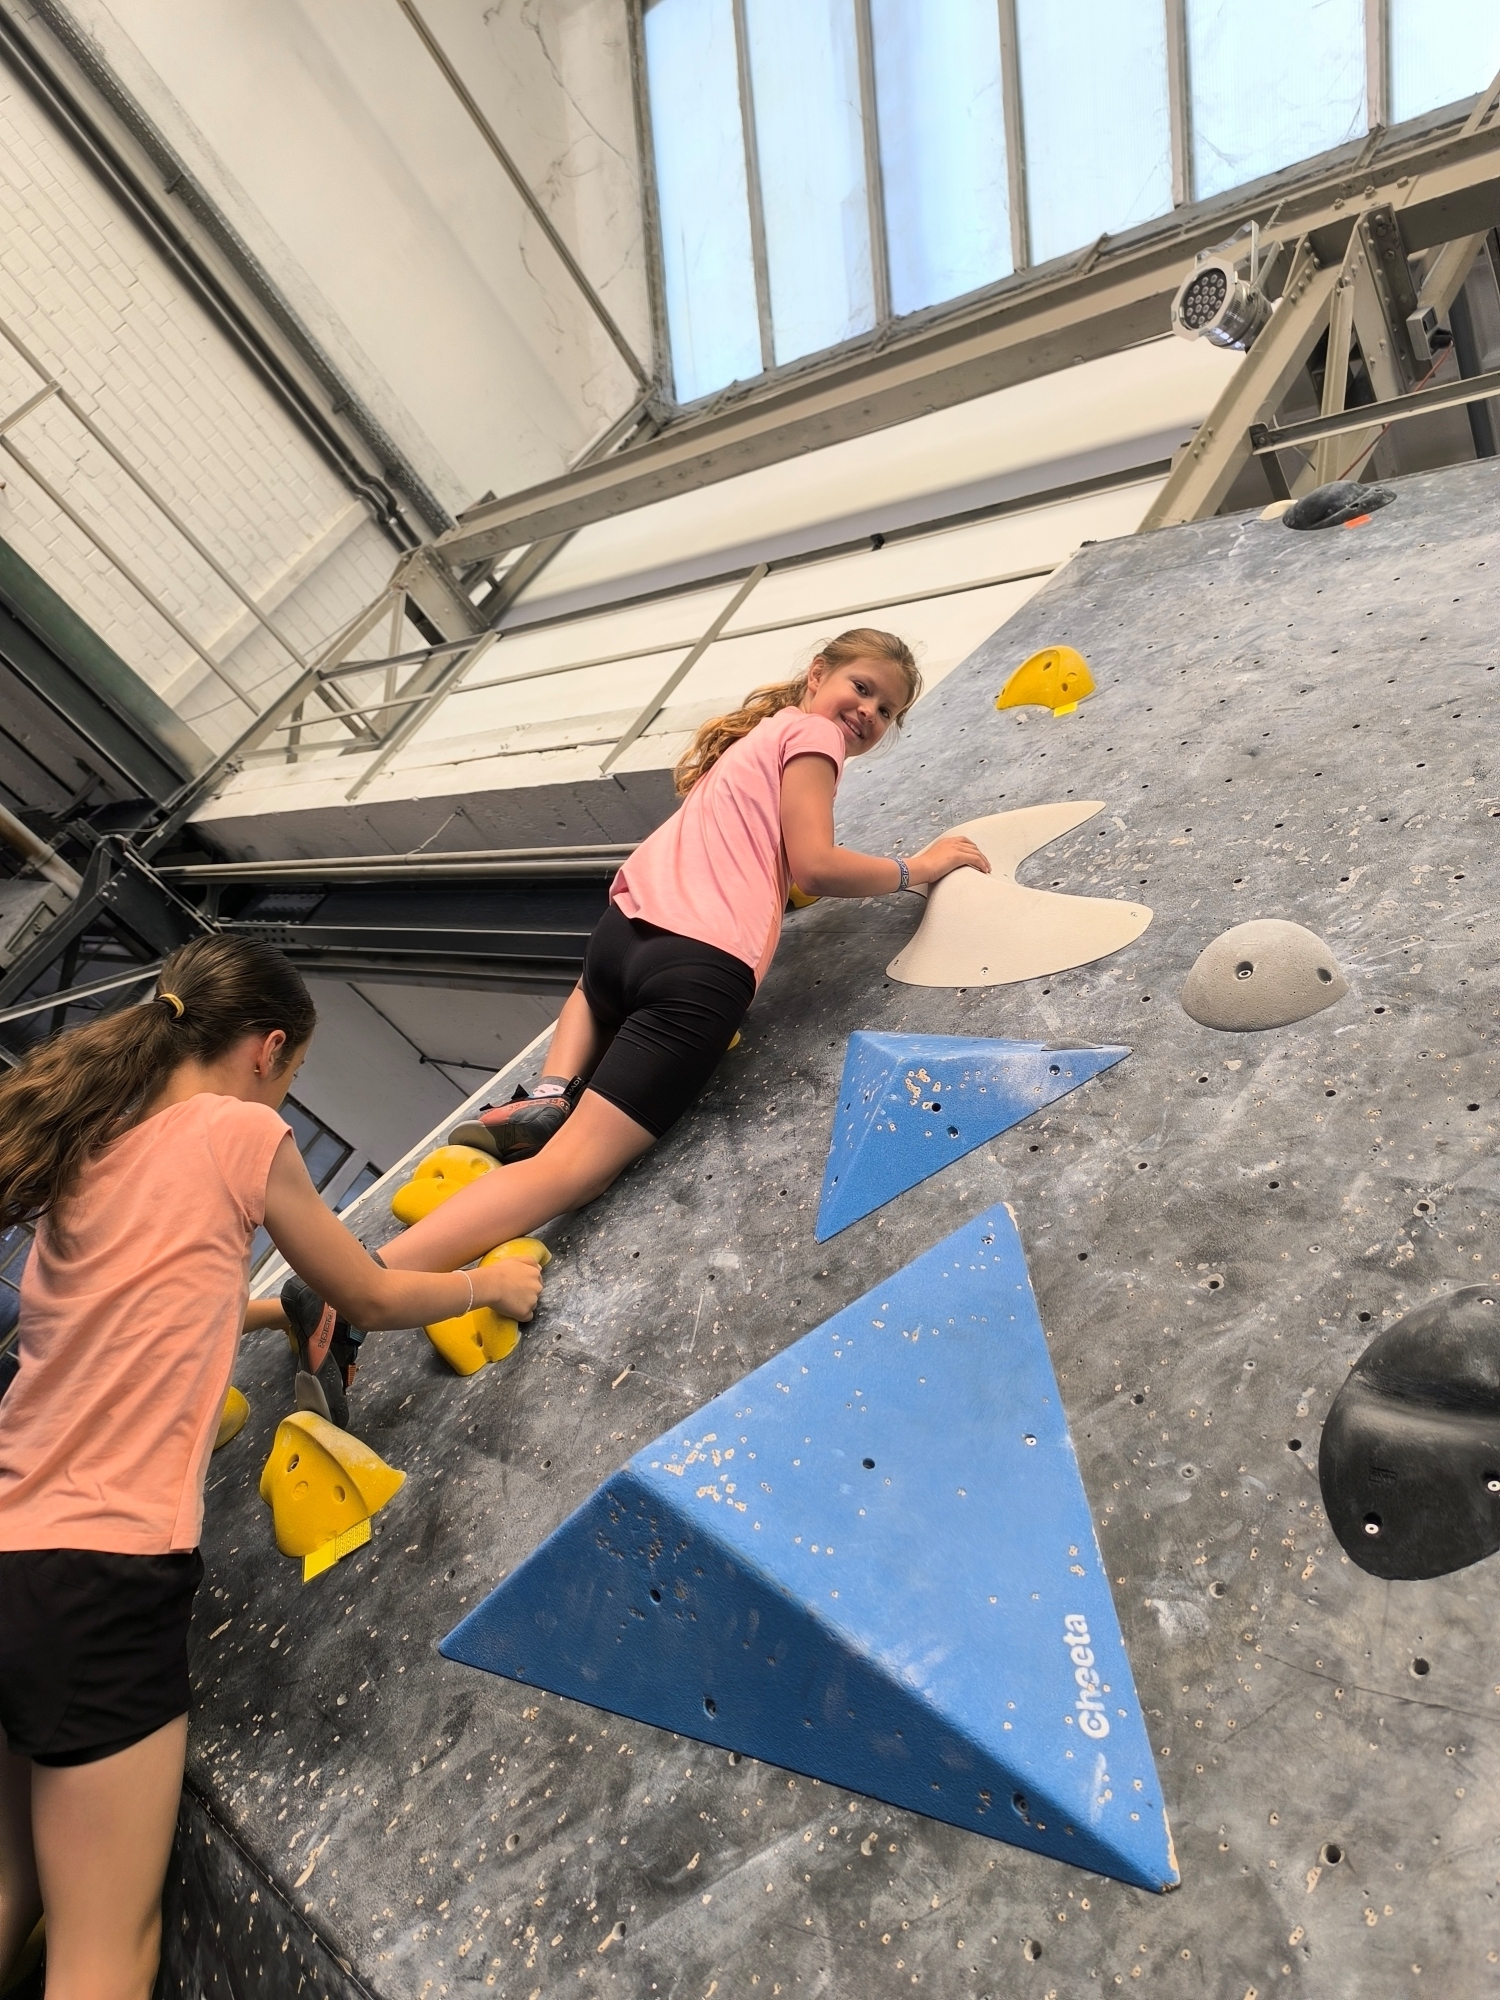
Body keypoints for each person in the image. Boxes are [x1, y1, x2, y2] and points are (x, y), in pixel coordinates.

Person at [0, 935, 543, 2000]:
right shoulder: (243, 1130)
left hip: (8, 1543)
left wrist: (259, 1310)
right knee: (106, 1947)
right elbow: (376, 1294)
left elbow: (132, 1299)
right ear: (270, 1049)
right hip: (96, 1578)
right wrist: (488, 1284)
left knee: (13, 1883)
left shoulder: (98, 1139)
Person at [378, 626, 990, 1280]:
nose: (868, 712)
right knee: (567, 1173)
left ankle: (550, 1093)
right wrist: (918, 867)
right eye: (861, 688)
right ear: (818, 675)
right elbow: (816, 866)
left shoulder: (757, 740)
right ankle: (359, 1293)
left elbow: (773, 860)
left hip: (620, 943)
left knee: (583, 1173)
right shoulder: (815, 737)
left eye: (886, 710)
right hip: (697, 968)